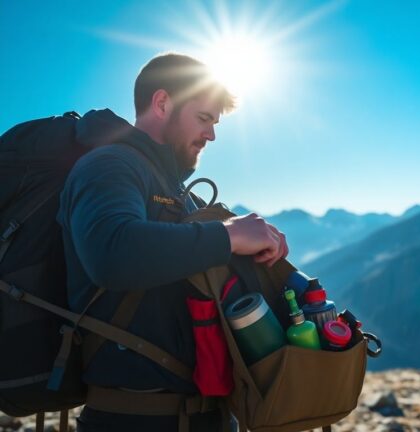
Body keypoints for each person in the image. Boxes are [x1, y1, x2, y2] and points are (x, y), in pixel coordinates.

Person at [57, 52, 288, 431]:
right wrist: (229, 236)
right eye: (204, 118)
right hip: (133, 420)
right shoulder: (109, 165)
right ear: (163, 103)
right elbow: (112, 253)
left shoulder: (181, 193)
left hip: (209, 416)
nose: (211, 135)